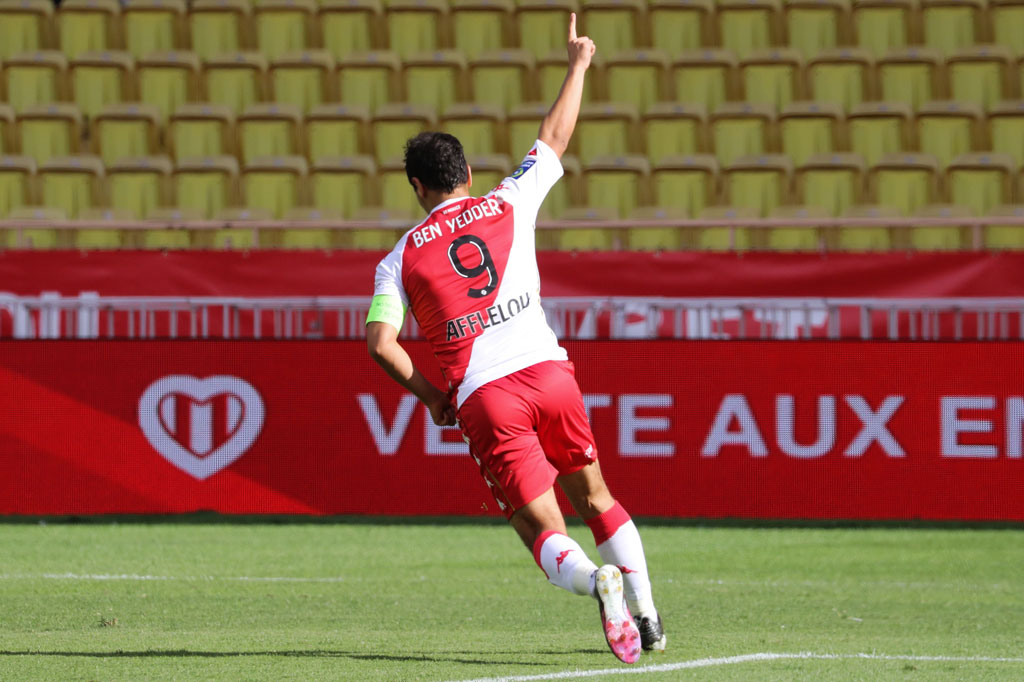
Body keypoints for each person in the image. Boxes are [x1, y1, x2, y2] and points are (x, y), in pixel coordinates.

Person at [364, 13, 664, 665]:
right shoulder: (508, 201)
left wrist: (429, 396)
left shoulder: (400, 258)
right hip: (551, 375)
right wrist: (579, 63)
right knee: (598, 497)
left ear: (418, 187)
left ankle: (597, 581)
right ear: (467, 171)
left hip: (486, 396)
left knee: (541, 528)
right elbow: (554, 136)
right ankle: (647, 613)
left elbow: (381, 343)